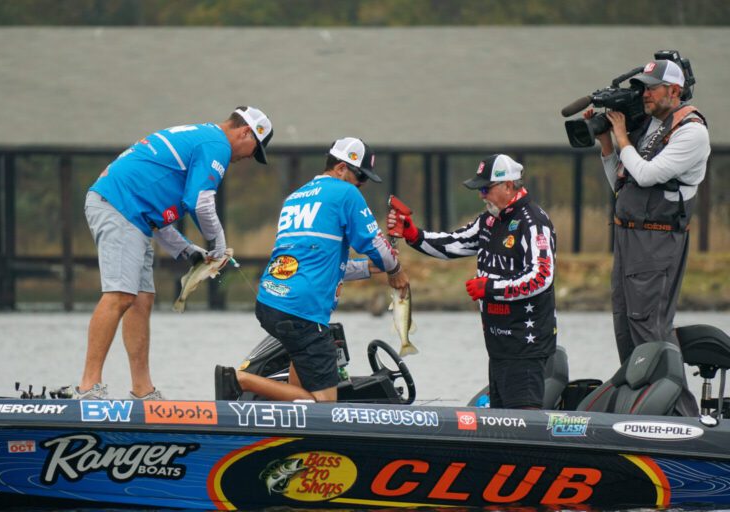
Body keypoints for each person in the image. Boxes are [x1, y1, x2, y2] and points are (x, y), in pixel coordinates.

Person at [77, 106, 273, 400]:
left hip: (133, 213)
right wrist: (219, 246)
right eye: (254, 150)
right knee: (120, 295)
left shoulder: (204, 137)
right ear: (245, 132)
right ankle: (88, 386)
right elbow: (200, 203)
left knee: (141, 300)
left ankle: (143, 391)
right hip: (119, 206)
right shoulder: (217, 145)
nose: (248, 158)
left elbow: (157, 214)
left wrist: (187, 251)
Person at [214, 137, 410, 402]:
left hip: (270, 302)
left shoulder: (296, 197)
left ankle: (270, 405)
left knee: (303, 395)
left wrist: (366, 267)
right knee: (324, 402)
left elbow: (317, 262)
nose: (362, 184)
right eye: (361, 176)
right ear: (341, 168)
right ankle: (239, 380)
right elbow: (374, 243)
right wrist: (395, 270)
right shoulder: (346, 193)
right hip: (302, 311)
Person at [585, 57, 709, 416]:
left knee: (649, 323)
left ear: (675, 90)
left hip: (657, 241)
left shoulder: (691, 131)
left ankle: (680, 413)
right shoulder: (649, 125)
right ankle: (638, 404)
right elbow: (622, 182)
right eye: (642, 88)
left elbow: (647, 174)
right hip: (628, 237)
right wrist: (607, 143)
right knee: (626, 323)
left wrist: (622, 136)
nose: (645, 95)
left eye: (652, 88)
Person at [387, 154, 557, 409]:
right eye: (479, 189)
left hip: (525, 345)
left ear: (508, 185)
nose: (481, 195)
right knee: (500, 421)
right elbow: (454, 243)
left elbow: (542, 276)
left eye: (486, 189)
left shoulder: (533, 222)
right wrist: (414, 235)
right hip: (497, 344)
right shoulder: (488, 220)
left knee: (521, 420)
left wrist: (490, 288)